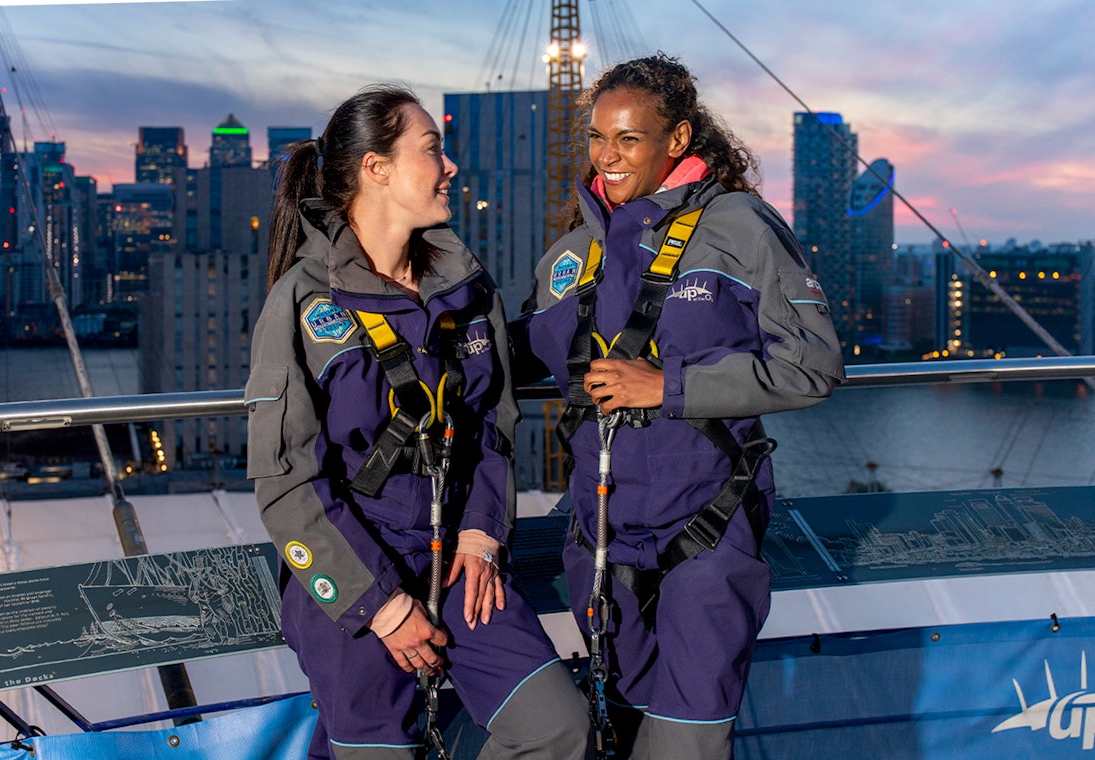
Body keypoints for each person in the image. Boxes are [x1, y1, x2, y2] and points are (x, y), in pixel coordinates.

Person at [511, 55, 845, 758]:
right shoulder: (571, 255)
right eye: (598, 137)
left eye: (629, 138)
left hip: (708, 531)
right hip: (602, 543)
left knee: (688, 745)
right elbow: (520, 356)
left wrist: (668, 387)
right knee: (622, 730)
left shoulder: (741, 227)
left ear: (679, 138)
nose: (607, 156)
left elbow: (813, 365)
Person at [245, 85, 588, 760]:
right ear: (377, 169)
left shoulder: (465, 289)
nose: (450, 166)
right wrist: (381, 606)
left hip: (462, 566)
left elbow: (491, 422)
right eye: (432, 149)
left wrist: (485, 532)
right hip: (355, 578)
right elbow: (287, 487)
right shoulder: (304, 304)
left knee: (558, 729)